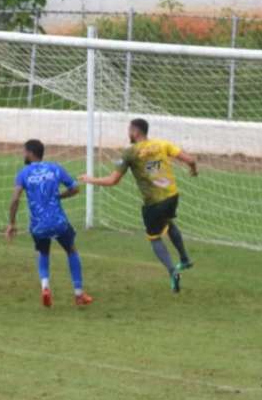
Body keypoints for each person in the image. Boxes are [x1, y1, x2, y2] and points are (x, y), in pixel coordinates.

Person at [80, 118, 198, 293]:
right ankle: (185, 258)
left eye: (129, 130)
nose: (128, 133)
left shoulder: (130, 153)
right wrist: (193, 171)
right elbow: (190, 160)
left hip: (153, 203)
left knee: (154, 237)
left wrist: (90, 179)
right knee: (168, 222)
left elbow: (113, 180)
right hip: (172, 196)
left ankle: (172, 271)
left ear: (135, 132)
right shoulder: (162, 144)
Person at [7, 139, 93, 307]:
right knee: (71, 250)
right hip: (58, 222)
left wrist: (12, 223)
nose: (23, 154)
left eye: (24, 151)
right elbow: (75, 188)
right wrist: (60, 196)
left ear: (31, 153)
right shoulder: (55, 168)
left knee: (43, 253)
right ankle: (78, 293)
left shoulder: (24, 173)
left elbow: (15, 199)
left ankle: (45, 287)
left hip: (38, 226)